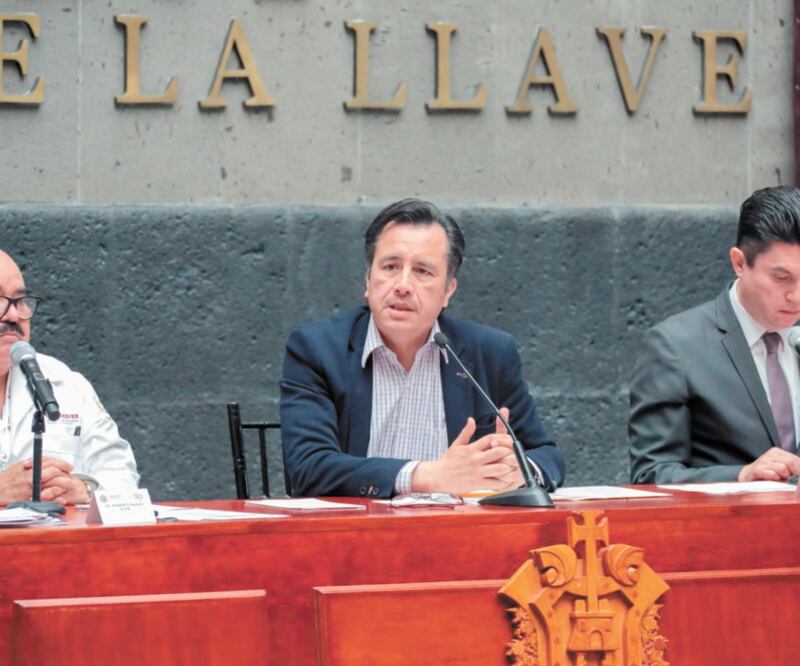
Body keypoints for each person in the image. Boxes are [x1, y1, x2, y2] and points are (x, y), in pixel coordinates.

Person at [280, 198, 565, 497]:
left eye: (422, 272)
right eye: (390, 267)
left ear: (448, 291)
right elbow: (308, 467)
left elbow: (547, 456)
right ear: (368, 279)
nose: (403, 285)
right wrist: (425, 476)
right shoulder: (318, 349)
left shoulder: (489, 353)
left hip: (458, 525)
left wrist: (519, 470)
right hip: (359, 525)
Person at [630, 186, 800, 484]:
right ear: (739, 263)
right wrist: (742, 476)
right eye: (781, 278)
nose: (796, 296)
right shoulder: (675, 347)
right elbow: (651, 475)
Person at [0, 250, 139, 504]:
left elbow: (122, 478)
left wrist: (85, 491)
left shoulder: (65, 384)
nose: (13, 315)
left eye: (20, 301)